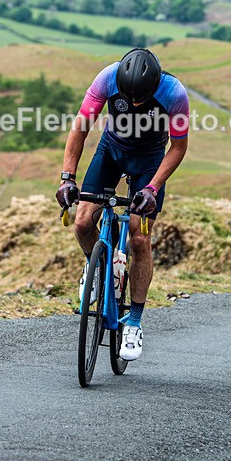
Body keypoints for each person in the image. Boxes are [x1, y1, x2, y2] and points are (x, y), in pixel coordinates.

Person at [55, 47, 189, 362]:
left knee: (139, 238)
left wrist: (153, 188)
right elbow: (80, 127)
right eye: (129, 98)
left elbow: (179, 147)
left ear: (155, 86)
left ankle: (135, 321)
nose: (134, 104)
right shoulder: (107, 77)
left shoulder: (175, 93)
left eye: (140, 99)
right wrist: (67, 178)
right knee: (83, 221)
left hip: (150, 159)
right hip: (112, 149)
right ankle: (98, 266)